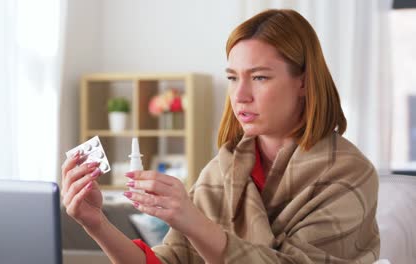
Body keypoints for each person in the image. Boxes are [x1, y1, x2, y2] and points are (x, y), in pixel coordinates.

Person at [61, 9, 380, 264]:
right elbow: (171, 260)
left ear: (304, 83)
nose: (239, 95)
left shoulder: (348, 174)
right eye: (232, 77)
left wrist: (191, 220)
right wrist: (96, 223)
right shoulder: (221, 171)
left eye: (259, 77)